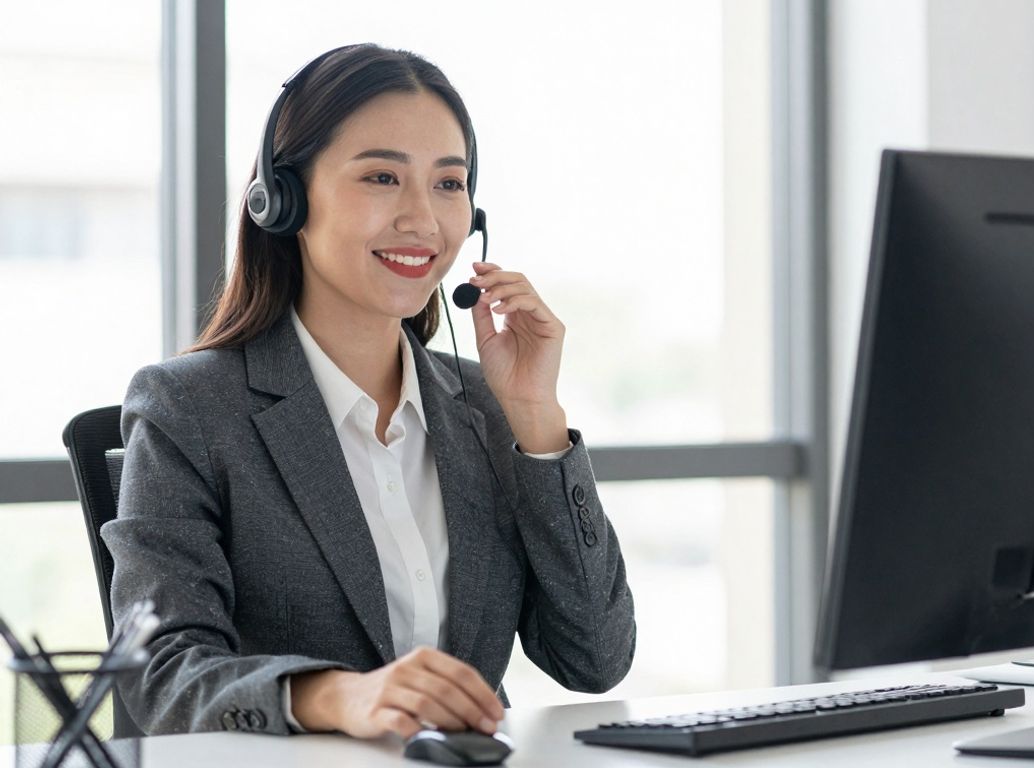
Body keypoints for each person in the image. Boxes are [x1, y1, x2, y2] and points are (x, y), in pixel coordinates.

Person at [102, 43, 635, 739]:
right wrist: (335, 696)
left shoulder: (485, 407)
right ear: (284, 199)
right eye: (382, 177)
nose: (423, 218)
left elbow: (594, 658)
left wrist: (536, 422)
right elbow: (156, 674)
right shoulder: (191, 410)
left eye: (448, 184)